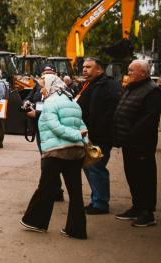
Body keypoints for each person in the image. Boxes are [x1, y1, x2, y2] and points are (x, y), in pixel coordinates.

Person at [21, 74, 88, 239]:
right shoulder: (73, 102)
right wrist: (82, 139)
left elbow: (54, 127)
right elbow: (82, 126)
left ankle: (36, 222)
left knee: (46, 188)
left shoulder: (50, 103)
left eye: (43, 86)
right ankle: (76, 229)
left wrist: (75, 135)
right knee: (75, 192)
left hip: (56, 152)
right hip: (75, 152)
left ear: (51, 86)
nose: (41, 90)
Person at [111, 59, 161, 227]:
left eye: (132, 70)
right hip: (128, 142)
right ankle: (137, 206)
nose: (129, 72)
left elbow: (149, 118)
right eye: (129, 70)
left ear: (143, 73)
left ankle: (148, 212)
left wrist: (131, 134)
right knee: (132, 175)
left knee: (145, 177)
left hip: (141, 144)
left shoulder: (152, 91)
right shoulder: (132, 88)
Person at [76, 57, 122, 215]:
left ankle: (101, 203)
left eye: (88, 67)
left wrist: (98, 132)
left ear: (99, 70)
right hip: (88, 135)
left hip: (100, 137)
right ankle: (96, 199)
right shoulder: (88, 84)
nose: (84, 70)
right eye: (83, 67)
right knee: (90, 167)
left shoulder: (108, 86)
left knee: (96, 168)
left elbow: (112, 113)